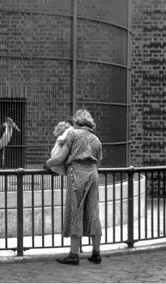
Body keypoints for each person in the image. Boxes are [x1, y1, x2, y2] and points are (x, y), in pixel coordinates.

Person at [46, 109, 103, 265]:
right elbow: (99, 160)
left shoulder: (73, 134)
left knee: (75, 211)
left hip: (76, 174)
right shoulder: (96, 139)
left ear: (77, 122)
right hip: (93, 174)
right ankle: (96, 253)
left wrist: (48, 163)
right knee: (93, 212)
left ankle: (73, 255)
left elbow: (60, 158)